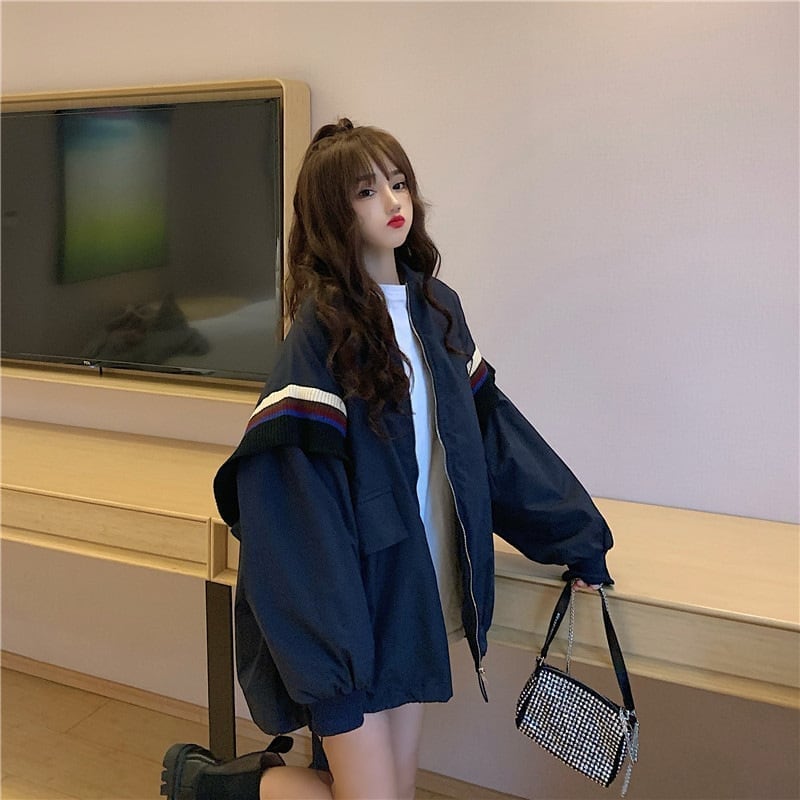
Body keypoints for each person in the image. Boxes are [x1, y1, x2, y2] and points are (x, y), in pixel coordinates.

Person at [161, 118, 614, 800]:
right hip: (352, 607)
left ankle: (216, 785)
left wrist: (577, 540)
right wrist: (329, 660)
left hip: (413, 596)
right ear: (332, 215)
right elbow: (295, 511)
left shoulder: (437, 311)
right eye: (366, 192)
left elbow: (493, 440)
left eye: (397, 183)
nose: (392, 202)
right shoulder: (320, 335)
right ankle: (210, 788)